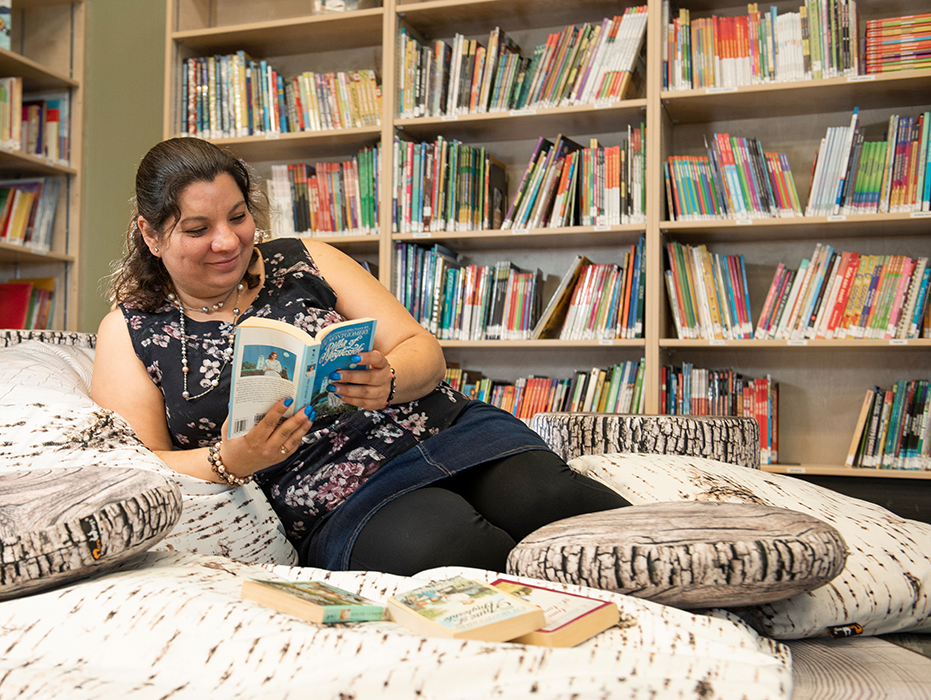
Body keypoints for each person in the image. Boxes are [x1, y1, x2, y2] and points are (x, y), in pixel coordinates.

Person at [91, 137, 630, 576]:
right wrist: (229, 460)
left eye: (237, 217)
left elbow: (422, 349)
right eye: (197, 229)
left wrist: (389, 378)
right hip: (334, 495)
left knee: (556, 504)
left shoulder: (305, 260)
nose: (228, 241)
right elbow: (136, 463)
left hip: (442, 431)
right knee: (451, 548)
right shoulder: (130, 330)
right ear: (151, 233)